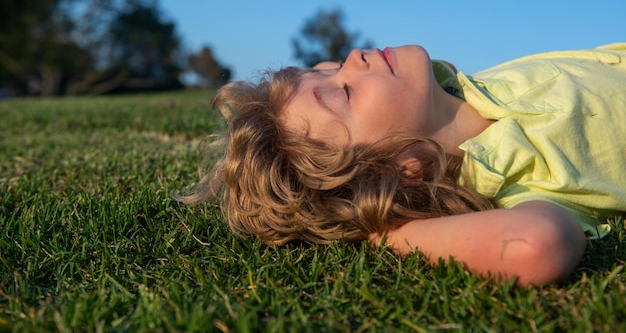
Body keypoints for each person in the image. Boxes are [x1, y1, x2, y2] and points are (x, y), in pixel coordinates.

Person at [180, 42, 626, 286]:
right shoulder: (524, 182)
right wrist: (382, 226)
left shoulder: (467, 88)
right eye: (345, 93)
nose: (353, 59)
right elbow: (538, 244)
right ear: (394, 170)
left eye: (328, 67)